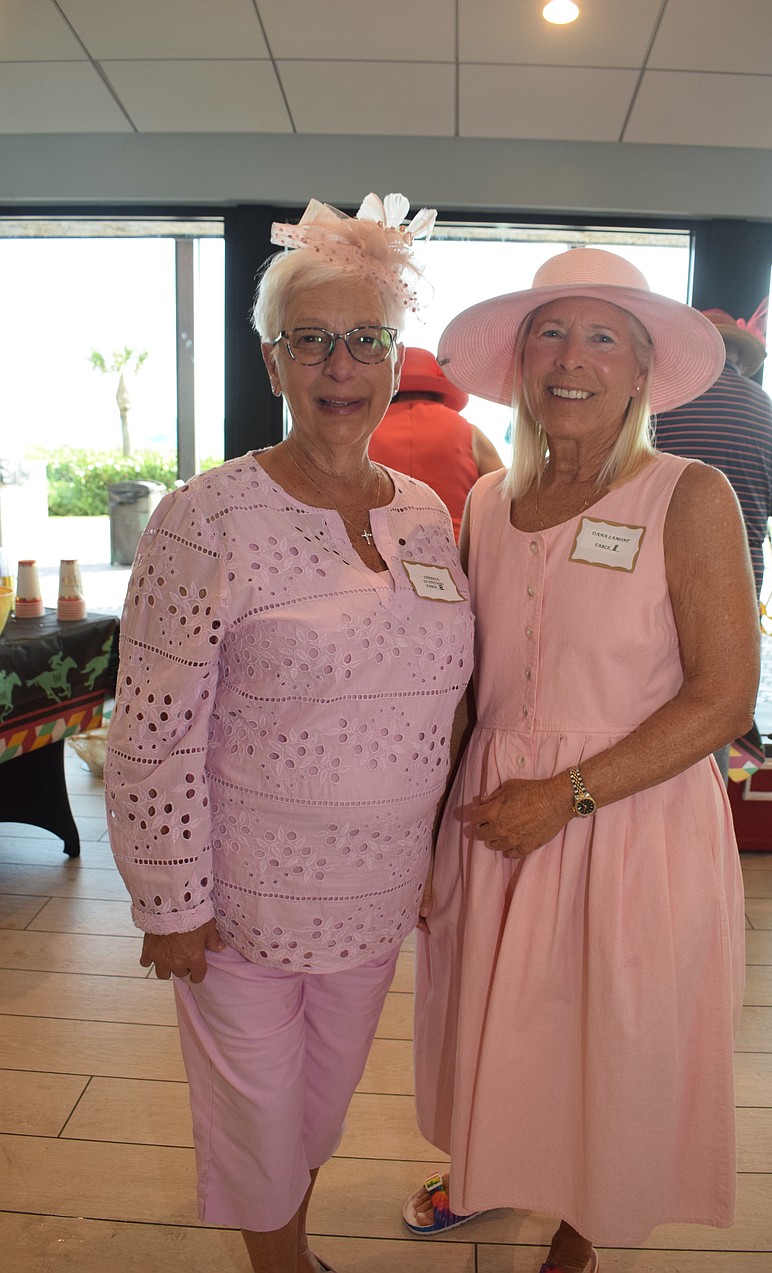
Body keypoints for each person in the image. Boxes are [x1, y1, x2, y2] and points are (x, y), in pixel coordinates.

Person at [104, 192, 474, 1273]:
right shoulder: (206, 515)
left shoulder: (423, 512)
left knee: (320, 1106)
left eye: (364, 340)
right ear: (272, 364)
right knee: (259, 1114)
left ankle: (292, 1239)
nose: (339, 366)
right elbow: (154, 728)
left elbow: (440, 694)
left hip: (375, 892)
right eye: (311, 341)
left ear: (394, 358)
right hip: (241, 900)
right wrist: (172, 901)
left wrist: (429, 852)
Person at [405, 249, 760, 1273]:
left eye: (603, 336)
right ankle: (499, 1165)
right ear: (518, 363)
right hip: (496, 813)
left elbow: (723, 697)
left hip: (626, 815)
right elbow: (476, 681)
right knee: (506, 1020)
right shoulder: (482, 505)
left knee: (612, 1031)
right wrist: (432, 831)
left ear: (642, 369)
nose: (572, 358)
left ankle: (580, 1231)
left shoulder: (687, 496)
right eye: (551, 334)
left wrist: (566, 794)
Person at [654, 303, 772, 597]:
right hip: (744, 576)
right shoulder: (768, 409)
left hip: (666, 569)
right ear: (737, 355)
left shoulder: (664, 400)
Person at [368, 346, 503, 539]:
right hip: (455, 557)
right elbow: (505, 498)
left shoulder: (367, 433)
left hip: (378, 555)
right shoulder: (469, 432)